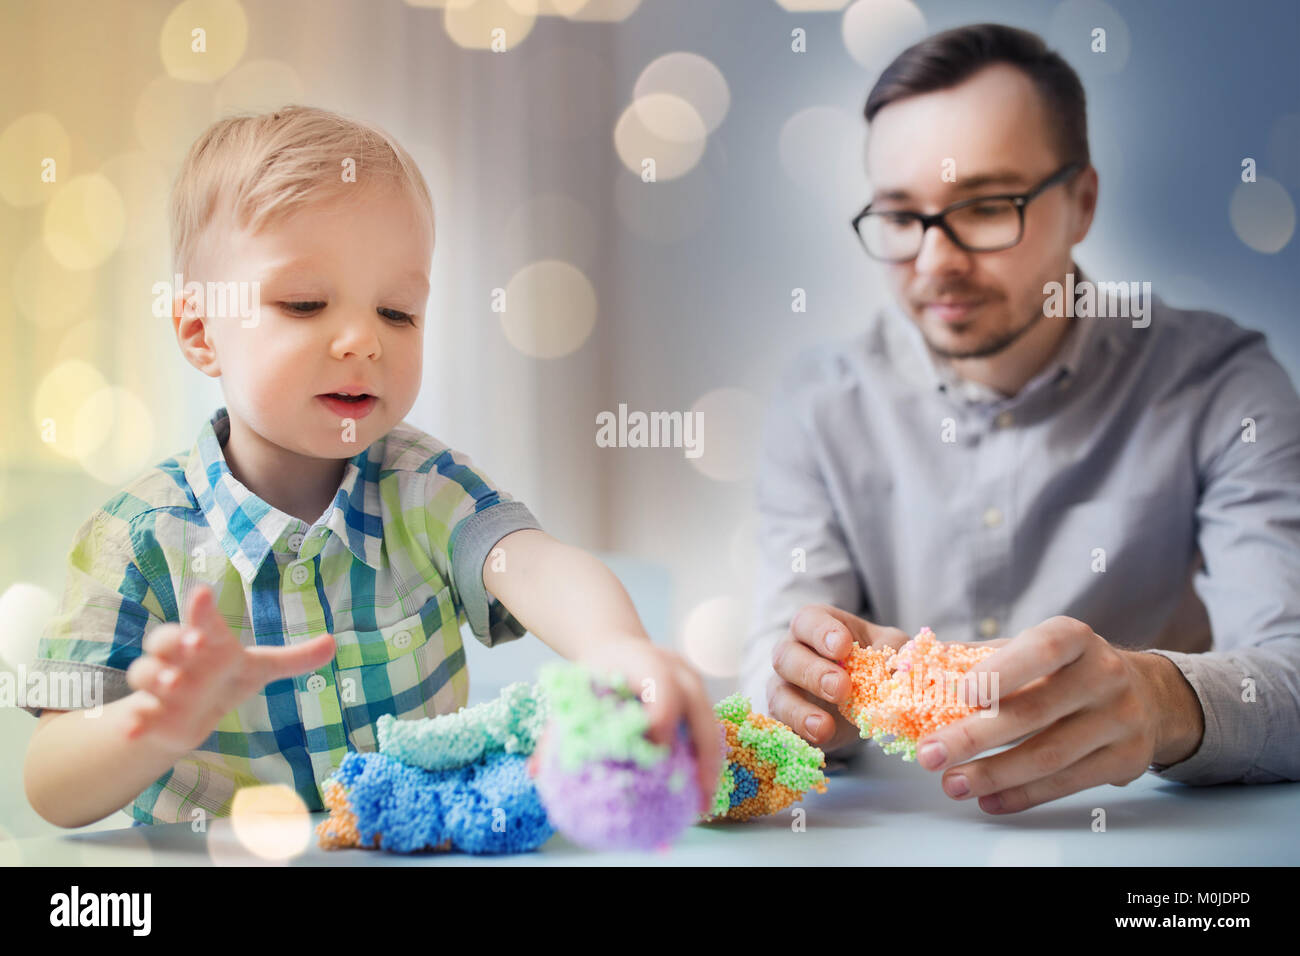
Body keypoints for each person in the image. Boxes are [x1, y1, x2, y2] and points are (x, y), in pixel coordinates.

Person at [23, 105, 720, 828]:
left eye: (396, 312)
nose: (361, 339)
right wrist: (153, 725)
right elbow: (50, 783)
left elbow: (537, 565)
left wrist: (616, 649)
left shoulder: (427, 487)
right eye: (304, 303)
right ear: (201, 331)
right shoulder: (131, 540)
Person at [743, 24, 1300, 814]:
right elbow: (775, 661)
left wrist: (1163, 699)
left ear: (1082, 203)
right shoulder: (817, 402)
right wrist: (802, 688)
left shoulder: (1222, 385)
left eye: (984, 205)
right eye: (902, 216)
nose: (936, 261)